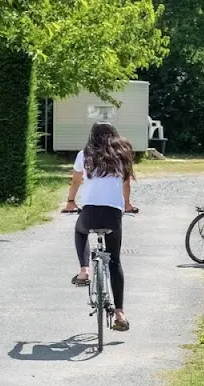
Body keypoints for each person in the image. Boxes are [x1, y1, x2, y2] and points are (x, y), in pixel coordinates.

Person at [62, 122, 135, 332]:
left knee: (80, 230)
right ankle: (120, 313)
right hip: (113, 214)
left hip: (90, 211)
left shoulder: (84, 155)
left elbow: (75, 182)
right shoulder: (122, 153)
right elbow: (126, 184)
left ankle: (85, 270)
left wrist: (70, 202)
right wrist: (128, 204)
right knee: (115, 260)